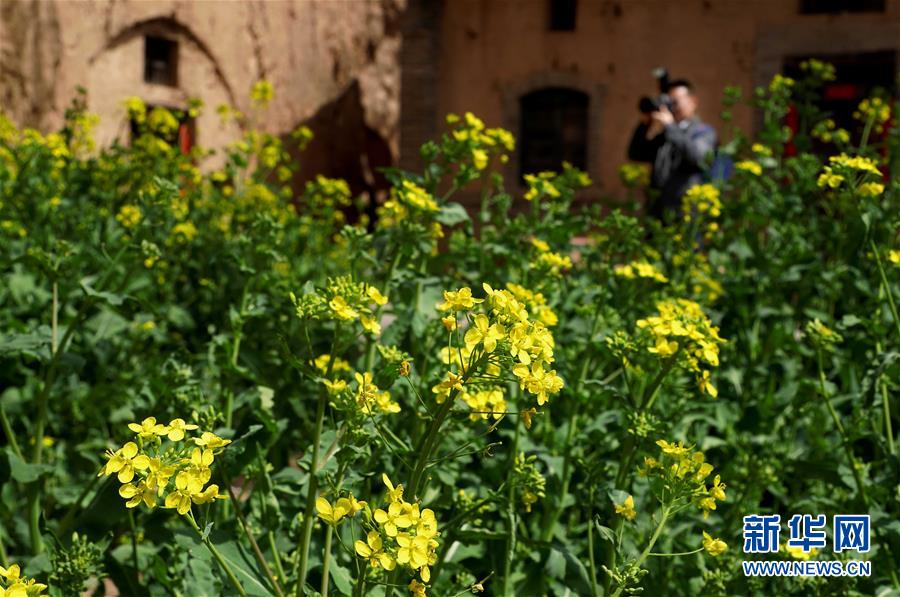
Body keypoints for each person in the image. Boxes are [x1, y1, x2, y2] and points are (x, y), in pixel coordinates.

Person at [627, 79, 717, 222]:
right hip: (657, 210)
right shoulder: (666, 133)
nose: (672, 107)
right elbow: (635, 153)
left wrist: (670, 127)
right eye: (669, 102)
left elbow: (698, 158)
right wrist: (645, 123)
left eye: (675, 101)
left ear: (693, 101)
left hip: (685, 212)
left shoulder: (702, 132)